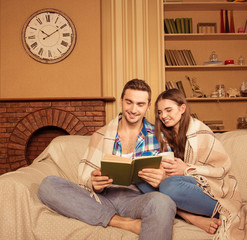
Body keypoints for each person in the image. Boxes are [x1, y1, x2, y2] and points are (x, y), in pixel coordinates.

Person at [37, 79, 176, 240]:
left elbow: (173, 180)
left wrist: (163, 178)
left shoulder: (159, 137)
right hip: (102, 198)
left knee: (163, 202)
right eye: (129, 102)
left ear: (148, 107)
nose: (133, 109)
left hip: (136, 200)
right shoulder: (101, 135)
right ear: (121, 101)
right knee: (48, 185)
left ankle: (111, 218)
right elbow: (85, 178)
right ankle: (120, 222)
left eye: (140, 104)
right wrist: (94, 183)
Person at [138, 88, 242, 236]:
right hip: (179, 189)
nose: (163, 116)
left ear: (182, 108)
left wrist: (187, 169)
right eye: (160, 112)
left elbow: (222, 167)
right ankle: (192, 218)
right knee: (141, 177)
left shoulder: (200, 132)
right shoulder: (162, 134)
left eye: (168, 110)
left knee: (169, 185)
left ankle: (205, 213)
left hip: (208, 192)